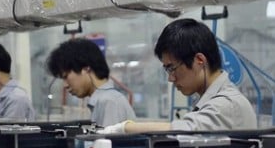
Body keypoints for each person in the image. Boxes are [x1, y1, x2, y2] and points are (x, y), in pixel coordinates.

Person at [102, 19, 257, 133]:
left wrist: (124, 128)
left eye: (172, 68)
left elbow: (182, 130)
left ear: (199, 60)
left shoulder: (227, 105)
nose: (171, 78)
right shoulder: (209, 101)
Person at [46, 38, 134, 127]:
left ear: (86, 69)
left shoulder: (109, 102)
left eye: (65, 77)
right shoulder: (102, 101)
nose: (65, 85)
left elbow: (107, 140)